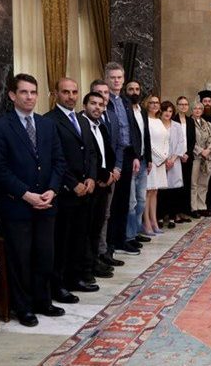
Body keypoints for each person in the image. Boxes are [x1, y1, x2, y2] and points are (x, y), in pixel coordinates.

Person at [0, 73, 66, 327]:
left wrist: (52, 190)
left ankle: (44, 301)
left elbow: (59, 161)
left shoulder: (47, 125)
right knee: (21, 259)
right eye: (24, 92)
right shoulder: (0, 127)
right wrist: (26, 194)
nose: (29, 97)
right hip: (17, 206)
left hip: (46, 203)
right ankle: (24, 308)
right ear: (12, 95)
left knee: (45, 256)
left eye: (33, 92)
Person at [44, 78, 98, 296]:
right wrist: (72, 183)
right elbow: (54, 158)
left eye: (74, 92)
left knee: (79, 237)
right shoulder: (49, 121)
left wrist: (92, 177)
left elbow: (91, 152)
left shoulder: (82, 120)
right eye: (66, 92)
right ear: (56, 94)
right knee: (62, 240)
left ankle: (75, 278)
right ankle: (58, 285)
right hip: (65, 192)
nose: (71, 96)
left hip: (85, 190)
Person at [105, 63, 142, 256]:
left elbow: (132, 129)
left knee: (124, 201)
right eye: (112, 77)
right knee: (111, 203)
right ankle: (109, 243)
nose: (116, 81)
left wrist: (135, 155)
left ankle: (121, 240)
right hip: (112, 156)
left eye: (119, 77)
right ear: (106, 79)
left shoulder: (126, 101)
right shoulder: (104, 101)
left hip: (127, 154)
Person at [81, 91, 116, 281]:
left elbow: (107, 153)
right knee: (87, 229)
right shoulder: (81, 125)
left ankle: (95, 261)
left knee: (97, 226)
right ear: (85, 105)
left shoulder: (101, 126)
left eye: (101, 105)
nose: (97, 107)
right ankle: (87, 266)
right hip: (90, 184)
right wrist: (100, 176)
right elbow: (87, 157)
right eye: (93, 103)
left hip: (104, 183)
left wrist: (109, 173)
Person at [90, 79, 125, 268]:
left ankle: (104, 251)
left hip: (112, 174)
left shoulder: (112, 116)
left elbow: (119, 145)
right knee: (95, 218)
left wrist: (116, 169)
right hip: (96, 178)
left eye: (105, 93)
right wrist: (102, 175)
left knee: (107, 214)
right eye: (99, 93)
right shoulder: (85, 119)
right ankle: (95, 255)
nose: (103, 96)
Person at [124, 80, 152, 251]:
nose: (134, 92)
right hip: (131, 161)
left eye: (137, 89)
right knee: (132, 202)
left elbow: (145, 135)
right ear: (126, 91)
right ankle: (129, 236)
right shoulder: (125, 110)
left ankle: (136, 230)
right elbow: (127, 137)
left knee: (141, 200)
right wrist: (133, 156)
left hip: (142, 160)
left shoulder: (142, 110)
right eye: (131, 89)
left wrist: (149, 158)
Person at [157, 101, 186, 227]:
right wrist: (164, 160)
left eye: (170, 111)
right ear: (161, 111)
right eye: (165, 110)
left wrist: (172, 160)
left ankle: (172, 217)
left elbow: (181, 143)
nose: (167, 113)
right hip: (160, 161)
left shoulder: (177, 126)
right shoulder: (157, 125)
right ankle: (160, 216)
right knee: (161, 190)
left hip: (174, 161)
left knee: (173, 190)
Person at [190, 102, 211, 217]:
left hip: (208, 158)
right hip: (196, 157)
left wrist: (209, 150)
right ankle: (194, 208)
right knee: (194, 183)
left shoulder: (208, 124)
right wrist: (201, 151)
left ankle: (202, 206)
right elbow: (190, 141)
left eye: (200, 109)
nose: (197, 110)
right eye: (195, 108)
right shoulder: (189, 123)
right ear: (192, 110)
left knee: (203, 184)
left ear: (202, 111)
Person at [144, 96, 167, 234]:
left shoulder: (159, 121)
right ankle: (146, 222)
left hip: (161, 161)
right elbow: (148, 143)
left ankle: (154, 221)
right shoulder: (145, 120)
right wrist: (159, 157)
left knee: (155, 191)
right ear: (147, 104)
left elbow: (166, 139)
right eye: (151, 102)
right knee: (148, 191)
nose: (154, 105)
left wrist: (165, 156)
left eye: (157, 102)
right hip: (151, 161)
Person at [171, 96, 194, 221]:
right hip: (176, 157)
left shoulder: (190, 121)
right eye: (181, 104)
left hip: (187, 157)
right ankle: (175, 213)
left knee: (186, 185)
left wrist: (188, 154)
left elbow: (192, 140)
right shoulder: (173, 120)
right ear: (177, 105)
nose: (183, 106)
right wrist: (179, 154)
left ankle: (184, 211)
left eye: (185, 104)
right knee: (177, 186)